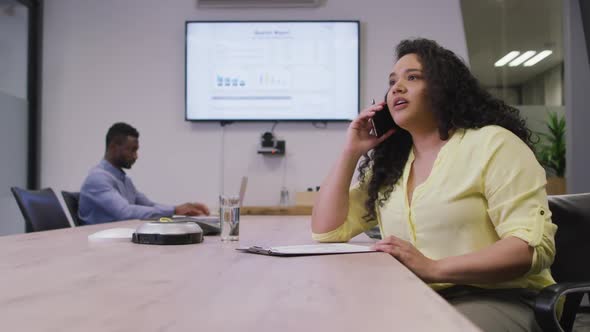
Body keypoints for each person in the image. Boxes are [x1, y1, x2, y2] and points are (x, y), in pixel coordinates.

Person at [311, 38, 558, 332]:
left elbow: (528, 249)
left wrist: (434, 268)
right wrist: (350, 152)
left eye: (412, 77)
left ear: (444, 88)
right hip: (415, 298)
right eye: (392, 82)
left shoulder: (493, 144)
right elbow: (327, 230)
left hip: (501, 297)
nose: (396, 88)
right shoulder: (391, 165)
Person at [79, 122, 210, 224]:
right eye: (132, 150)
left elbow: (149, 205)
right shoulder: (97, 179)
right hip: (98, 249)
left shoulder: (125, 180)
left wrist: (182, 209)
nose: (136, 156)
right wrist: (175, 211)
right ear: (113, 147)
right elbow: (125, 212)